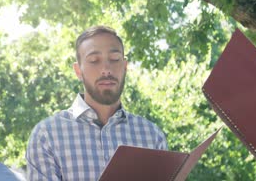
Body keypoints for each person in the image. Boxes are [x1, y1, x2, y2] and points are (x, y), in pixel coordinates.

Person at [26, 25, 167, 180]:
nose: (106, 69)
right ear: (78, 71)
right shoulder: (46, 135)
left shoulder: (152, 136)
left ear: (125, 67)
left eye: (114, 59)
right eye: (94, 61)